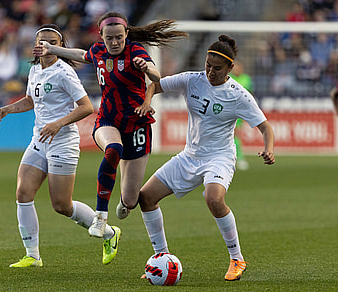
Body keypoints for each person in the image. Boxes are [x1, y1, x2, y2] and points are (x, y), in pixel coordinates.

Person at [33, 12, 188, 238]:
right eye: (109, 38)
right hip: (108, 119)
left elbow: (156, 76)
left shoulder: (136, 51)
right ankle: (100, 217)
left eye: (119, 37)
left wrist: (146, 68)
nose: (114, 42)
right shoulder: (98, 51)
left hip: (136, 124)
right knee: (113, 149)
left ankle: (125, 202)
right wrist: (53, 49)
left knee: (131, 199)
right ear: (101, 36)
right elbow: (82, 54)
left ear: (126, 34)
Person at [138, 35, 275, 281]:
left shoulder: (238, 95)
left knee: (213, 198)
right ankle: (161, 257)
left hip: (219, 157)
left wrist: (269, 148)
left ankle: (237, 259)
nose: (211, 71)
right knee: (146, 197)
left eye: (217, 68)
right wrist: (147, 102)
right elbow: (154, 85)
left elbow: (265, 126)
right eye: (208, 65)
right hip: (189, 155)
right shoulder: (193, 79)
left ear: (230, 68)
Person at [0, 24, 121, 267]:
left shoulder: (64, 72)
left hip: (63, 142)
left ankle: (110, 233)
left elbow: (86, 107)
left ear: (61, 46)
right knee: (23, 192)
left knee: (61, 205)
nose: (47, 46)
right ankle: (33, 256)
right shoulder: (34, 70)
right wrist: (7, 109)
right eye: (42, 41)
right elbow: (31, 99)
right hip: (40, 140)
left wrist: (58, 124)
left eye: (52, 42)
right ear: (36, 46)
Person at [230, 60, 253, 171]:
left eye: (237, 67)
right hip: (229, 110)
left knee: (235, 134)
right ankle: (237, 158)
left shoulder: (246, 79)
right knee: (232, 135)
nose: (236, 69)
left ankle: (238, 158)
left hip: (240, 110)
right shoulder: (228, 78)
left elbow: (250, 95)